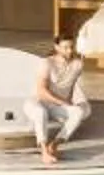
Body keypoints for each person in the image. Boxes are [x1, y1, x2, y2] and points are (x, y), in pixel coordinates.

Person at [27, 36, 90, 164]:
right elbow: (42, 91)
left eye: (71, 47)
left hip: (57, 107)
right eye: (65, 47)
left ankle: (54, 145)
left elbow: (70, 86)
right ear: (57, 47)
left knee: (78, 112)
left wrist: (69, 105)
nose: (69, 51)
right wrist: (63, 102)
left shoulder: (78, 64)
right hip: (39, 102)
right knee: (40, 113)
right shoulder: (47, 63)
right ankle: (44, 152)